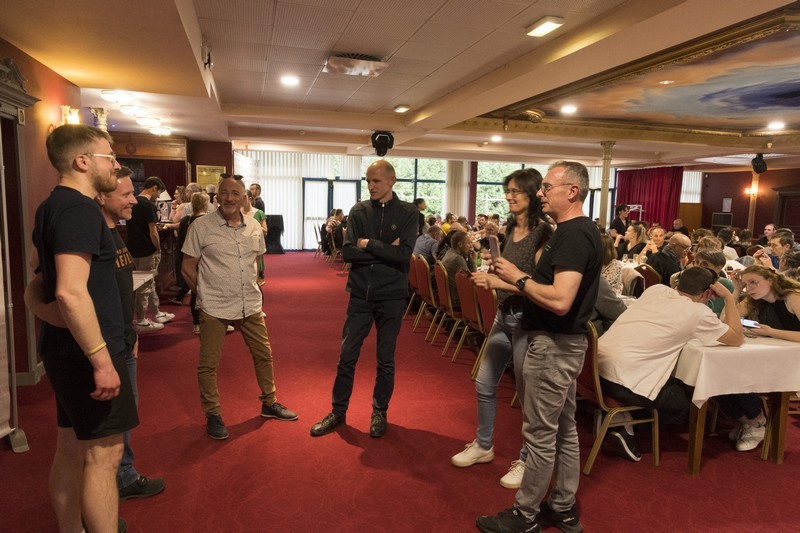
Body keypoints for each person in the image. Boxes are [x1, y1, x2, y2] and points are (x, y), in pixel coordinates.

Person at [478, 161, 601, 533]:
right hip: (560, 344)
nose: (541, 193)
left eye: (547, 187)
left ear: (572, 191)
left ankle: (526, 514)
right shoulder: (573, 231)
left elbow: (561, 300)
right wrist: (512, 280)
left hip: (554, 344)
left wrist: (518, 278)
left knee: (540, 435)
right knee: (563, 429)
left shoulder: (573, 235)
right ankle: (562, 507)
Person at [26, 124, 138, 532]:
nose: (115, 164)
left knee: (71, 448)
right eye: (110, 157)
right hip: (88, 354)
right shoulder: (78, 209)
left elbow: (40, 281)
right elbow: (70, 292)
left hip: (68, 350)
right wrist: (102, 361)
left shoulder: (52, 206)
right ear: (83, 161)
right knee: (104, 456)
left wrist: (44, 311)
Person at [450, 168, 552, 490]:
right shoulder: (510, 228)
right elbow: (510, 274)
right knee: (484, 383)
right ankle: (483, 445)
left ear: (532, 194)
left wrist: (498, 281)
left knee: (526, 396)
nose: (509, 196)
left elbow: (540, 285)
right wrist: (494, 272)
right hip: (503, 315)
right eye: (507, 190)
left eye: (515, 191)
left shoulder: (544, 233)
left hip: (527, 320)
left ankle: (527, 459)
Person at [181, 175, 298, 440]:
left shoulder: (254, 227)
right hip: (214, 306)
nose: (229, 198)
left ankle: (269, 402)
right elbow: (187, 266)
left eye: (235, 193)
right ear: (217, 197)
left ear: (245, 198)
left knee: (263, 355)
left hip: (250, 303)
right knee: (208, 364)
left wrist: (253, 283)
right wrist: (204, 294)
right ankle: (213, 414)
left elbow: (256, 261)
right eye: (224, 193)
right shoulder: (201, 226)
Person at [310, 160, 418, 439]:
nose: (370, 186)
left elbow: (403, 255)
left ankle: (379, 411)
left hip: (392, 297)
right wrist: (385, 250)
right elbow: (348, 253)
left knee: (385, 360)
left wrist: (368, 244)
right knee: (347, 356)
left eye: (376, 181)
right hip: (360, 295)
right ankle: (338, 411)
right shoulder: (359, 210)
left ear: (392, 181)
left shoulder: (408, 213)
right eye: (368, 180)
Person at [597, 267, 744, 461]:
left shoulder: (656, 290)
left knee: (667, 381)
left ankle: (621, 420)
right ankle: (626, 427)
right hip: (621, 380)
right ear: (708, 292)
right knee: (685, 403)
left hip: (594, 369)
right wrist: (728, 297)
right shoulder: (698, 312)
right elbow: (737, 338)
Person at [127, 175, 175, 332]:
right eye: (159, 192)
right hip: (148, 250)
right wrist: (158, 248)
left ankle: (156, 313)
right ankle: (141, 319)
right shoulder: (148, 205)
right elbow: (153, 232)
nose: (159, 196)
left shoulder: (133, 202)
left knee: (148, 282)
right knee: (144, 286)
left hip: (133, 248)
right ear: (154, 188)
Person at [176, 192, 210, 334]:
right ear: (205, 204)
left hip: (187, 257)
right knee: (202, 290)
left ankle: (196, 323)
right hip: (203, 259)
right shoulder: (207, 221)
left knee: (195, 290)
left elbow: (180, 242)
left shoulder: (185, 220)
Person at [441, 231, 477, 311]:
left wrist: (470, 259)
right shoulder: (457, 259)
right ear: (460, 244)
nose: (471, 246)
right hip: (457, 301)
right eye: (468, 243)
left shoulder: (449, 252)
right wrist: (473, 261)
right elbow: (473, 281)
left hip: (448, 297)